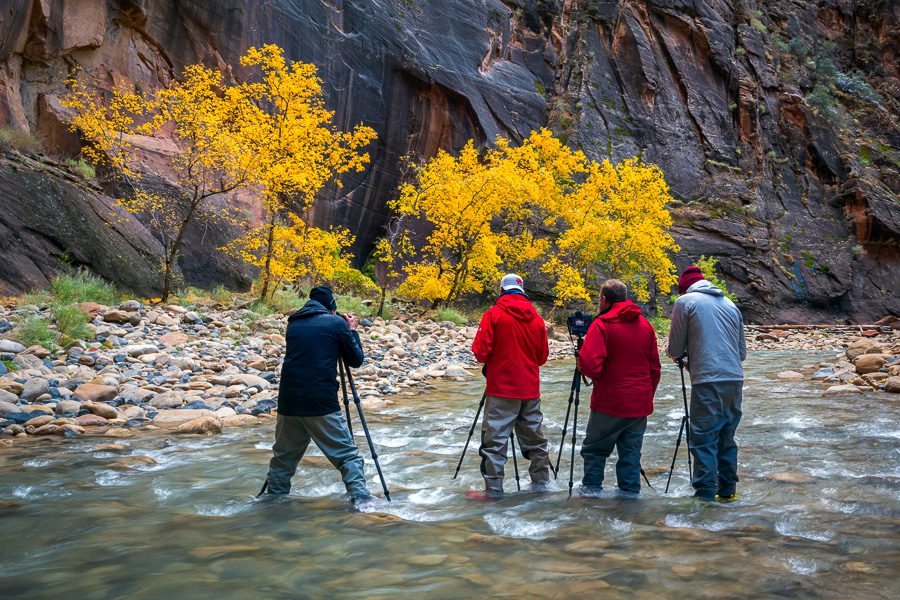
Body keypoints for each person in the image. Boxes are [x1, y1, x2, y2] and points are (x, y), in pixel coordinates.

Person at [265, 285, 373, 505]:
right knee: (348, 456)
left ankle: (272, 503)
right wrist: (351, 329)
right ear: (331, 307)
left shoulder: (294, 323)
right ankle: (362, 501)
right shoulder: (335, 323)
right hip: (319, 401)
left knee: (284, 458)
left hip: (288, 401)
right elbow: (356, 360)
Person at [667, 265, 746, 503]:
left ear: (686, 287)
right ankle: (728, 491)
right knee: (726, 435)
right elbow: (741, 353)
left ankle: (704, 497)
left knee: (703, 437)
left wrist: (684, 358)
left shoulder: (685, 302)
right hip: (734, 379)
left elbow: (674, 349)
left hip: (707, 380)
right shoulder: (730, 305)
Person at [577, 279, 660, 496]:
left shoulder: (602, 325)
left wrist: (580, 357)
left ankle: (591, 501)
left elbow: (590, 367)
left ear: (603, 300)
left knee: (595, 452)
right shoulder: (645, 326)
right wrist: (646, 395)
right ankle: (630, 503)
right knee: (631, 455)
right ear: (625, 298)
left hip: (609, 402)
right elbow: (655, 368)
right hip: (639, 403)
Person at [471, 273, 551, 498]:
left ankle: (494, 491)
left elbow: (480, 352)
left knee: (495, 441)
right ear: (522, 291)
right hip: (530, 389)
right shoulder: (537, 319)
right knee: (535, 440)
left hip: (501, 389)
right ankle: (541, 486)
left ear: (501, 290)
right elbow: (542, 357)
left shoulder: (494, 314)